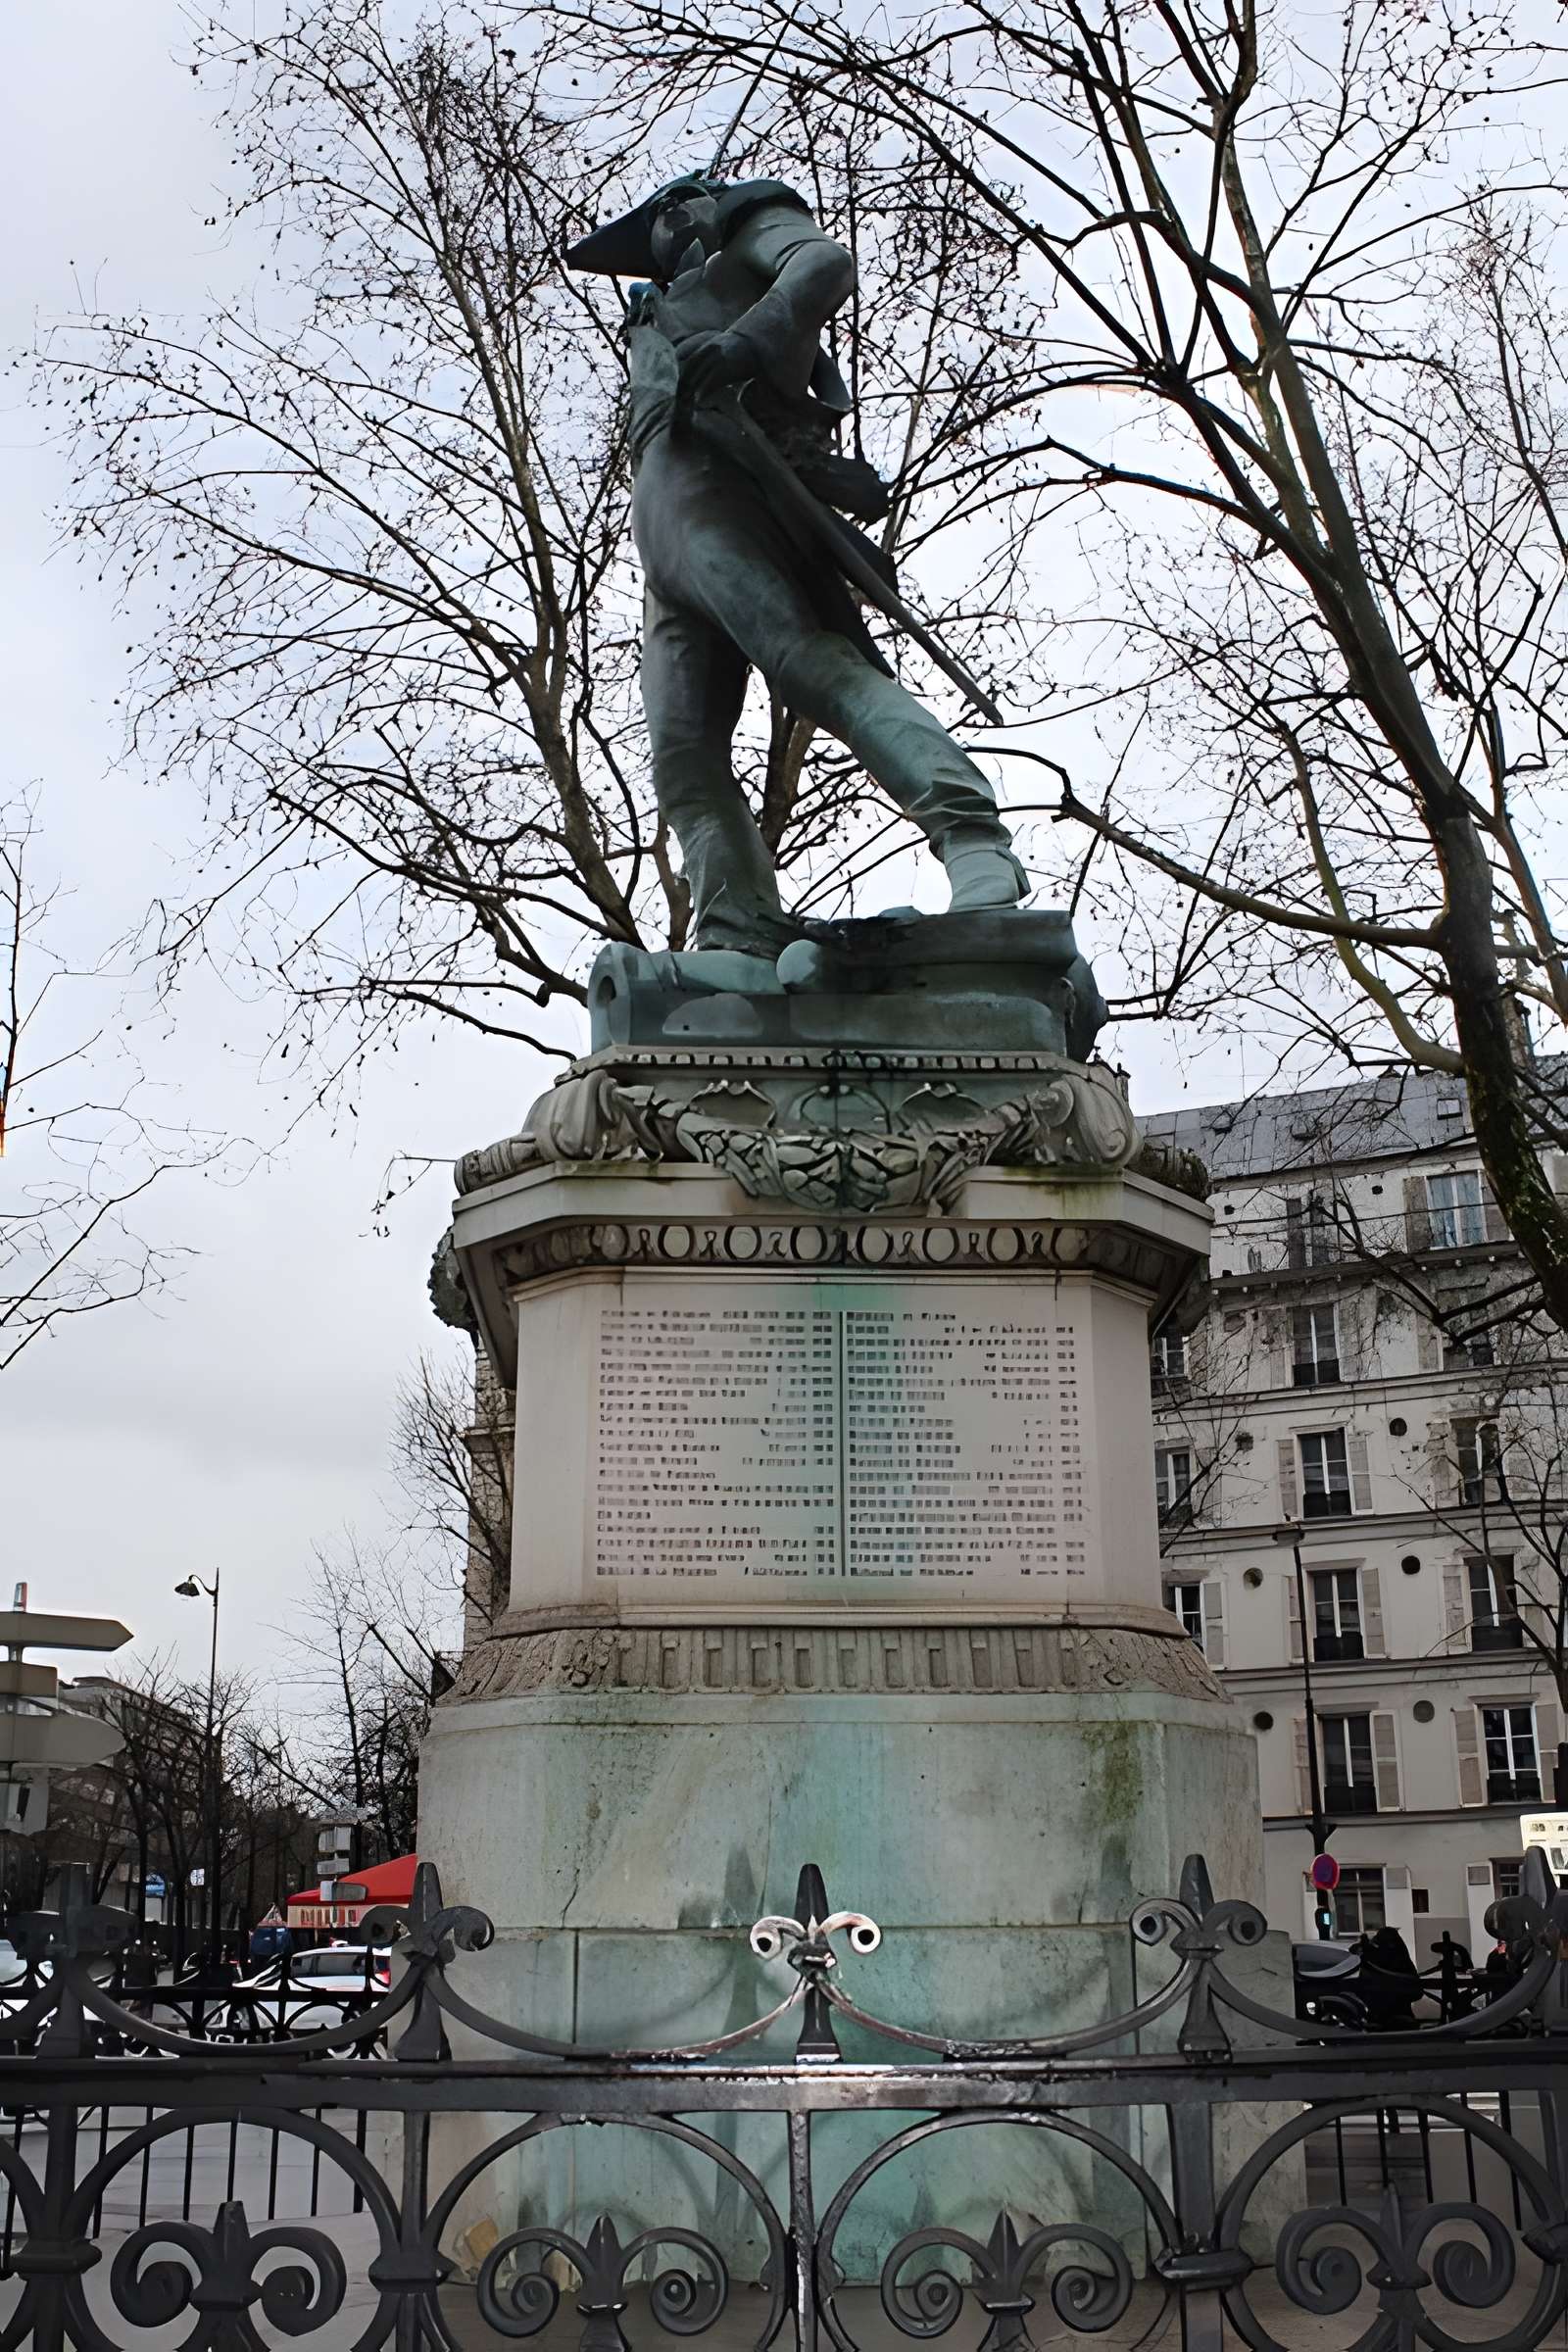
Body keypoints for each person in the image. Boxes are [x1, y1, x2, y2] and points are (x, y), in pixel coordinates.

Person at [567, 175, 1027, 954]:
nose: (671, 216)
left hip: (721, 494)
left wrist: (746, 341)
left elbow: (823, 265)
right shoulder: (656, 305)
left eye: (688, 197)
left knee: (807, 663)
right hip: (662, 535)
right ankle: (736, 927)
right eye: (656, 215)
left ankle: (972, 837)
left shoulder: (749, 236)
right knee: (682, 756)